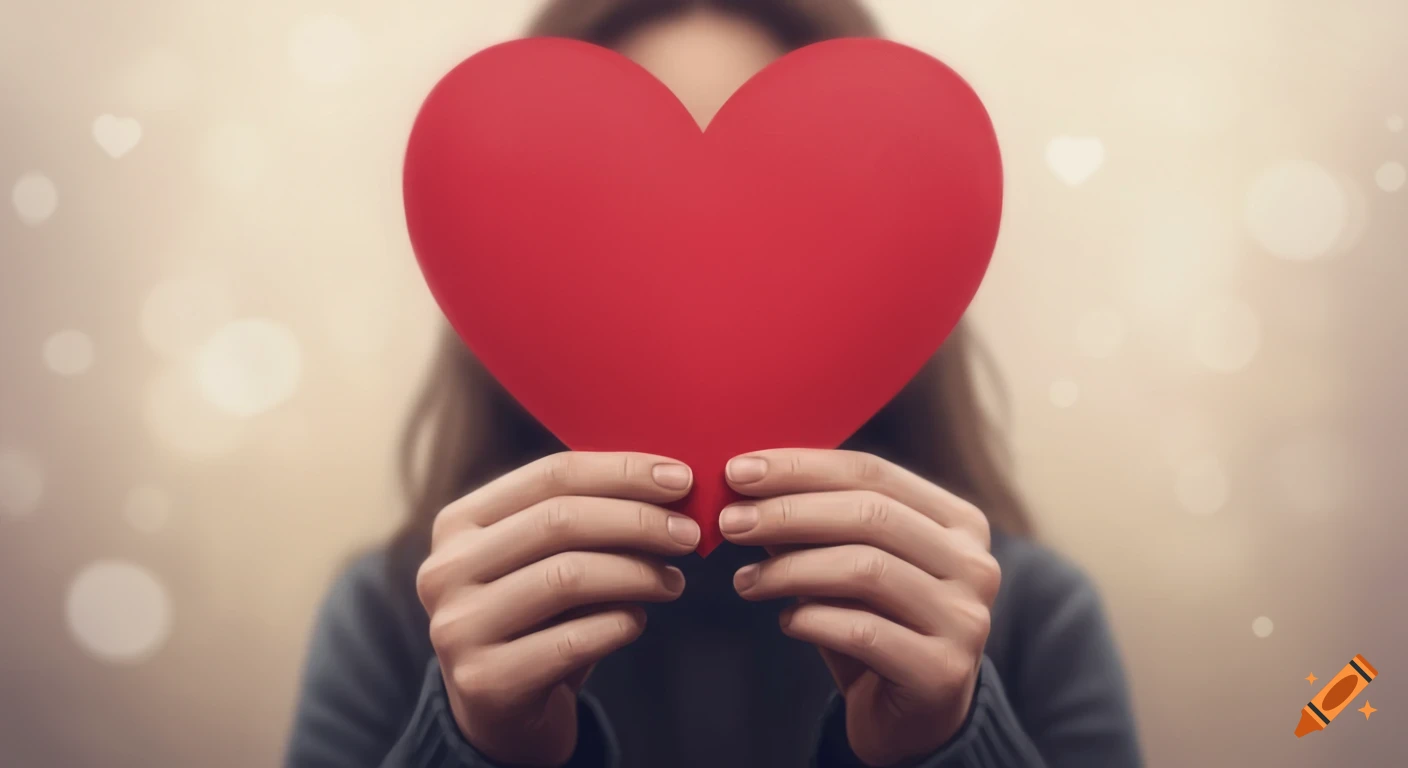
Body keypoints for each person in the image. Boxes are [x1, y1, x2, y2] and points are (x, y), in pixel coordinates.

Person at [284, 1, 1143, 766]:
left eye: (791, 203)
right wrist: (473, 748)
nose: (698, 267)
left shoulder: (1025, 617)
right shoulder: (396, 619)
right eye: (613, 201)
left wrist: (947, 746)